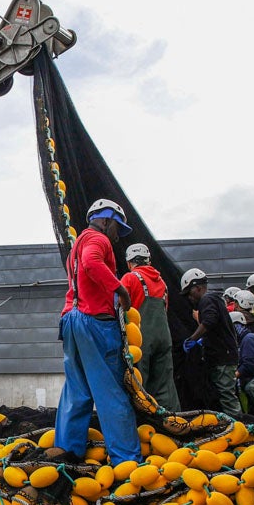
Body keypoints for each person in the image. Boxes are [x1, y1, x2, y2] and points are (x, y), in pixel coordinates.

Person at [55, 199, 141, 466]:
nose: (118, 235)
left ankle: (67, 454)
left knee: (77, 391)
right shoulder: (98, 240)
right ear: (105, 220)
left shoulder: (77, 245)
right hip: (94, 323)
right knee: (110, 391)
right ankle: (126, 460)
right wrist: (121, 289)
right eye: (117, 227)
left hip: (71, 320)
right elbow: (93, 263)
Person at [119, 243, 180, 411]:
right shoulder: (162, 283)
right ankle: (171, 422)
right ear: (149, 261)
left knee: (139, 381)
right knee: (164, 383)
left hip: (142, 336)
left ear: (130, 262)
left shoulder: (130, 278)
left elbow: (120, 308)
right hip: (163, 336)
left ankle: (142, 422)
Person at [180, 268, 241, 413]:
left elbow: (210, 320)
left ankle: (241, 428)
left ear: (198, 288)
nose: (189, 298)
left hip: (223, 359)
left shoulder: (207, 300)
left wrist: (193, 339)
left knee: (226, 396)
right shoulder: (215, 300)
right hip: (221, 356)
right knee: (221, 395)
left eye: (190, 293)